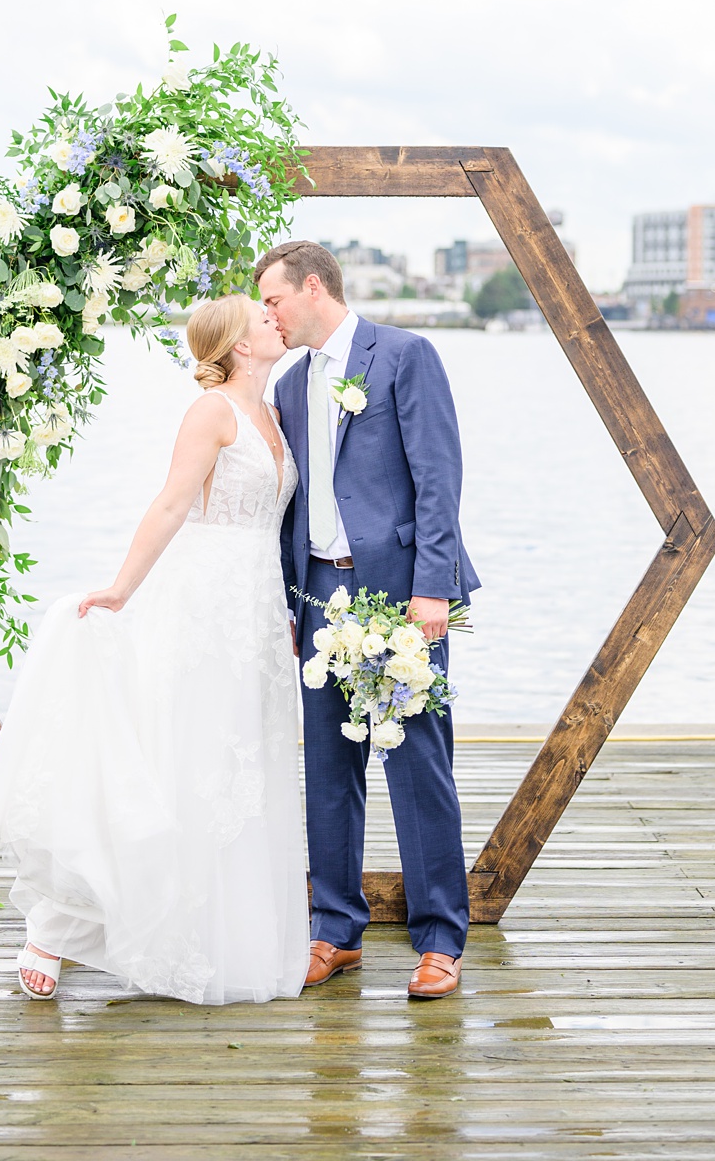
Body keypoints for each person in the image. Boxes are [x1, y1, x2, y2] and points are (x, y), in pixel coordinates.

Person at [0, 295, 309, 1004]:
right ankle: (56, 926)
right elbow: (171, 504)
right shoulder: (212, 412)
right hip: (204, 598)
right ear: (240, 346)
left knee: (238, 765)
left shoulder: (273, 412)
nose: (277, 320)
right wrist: (122, 587)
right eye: (263, 318)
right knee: (175, 755)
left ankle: (212, 937)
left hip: (258, 607)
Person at [258, 239, 478, 1001]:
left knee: (418, 767)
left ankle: (441, 940)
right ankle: (335, 930)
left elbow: (438, 479)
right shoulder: (287, 385)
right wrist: (289, 600)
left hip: (397, 594)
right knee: (327, 769)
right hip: (319, 595)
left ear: (313, 288)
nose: (268, 315)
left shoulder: (403, 356)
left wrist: (432, 592)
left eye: (274, 301)